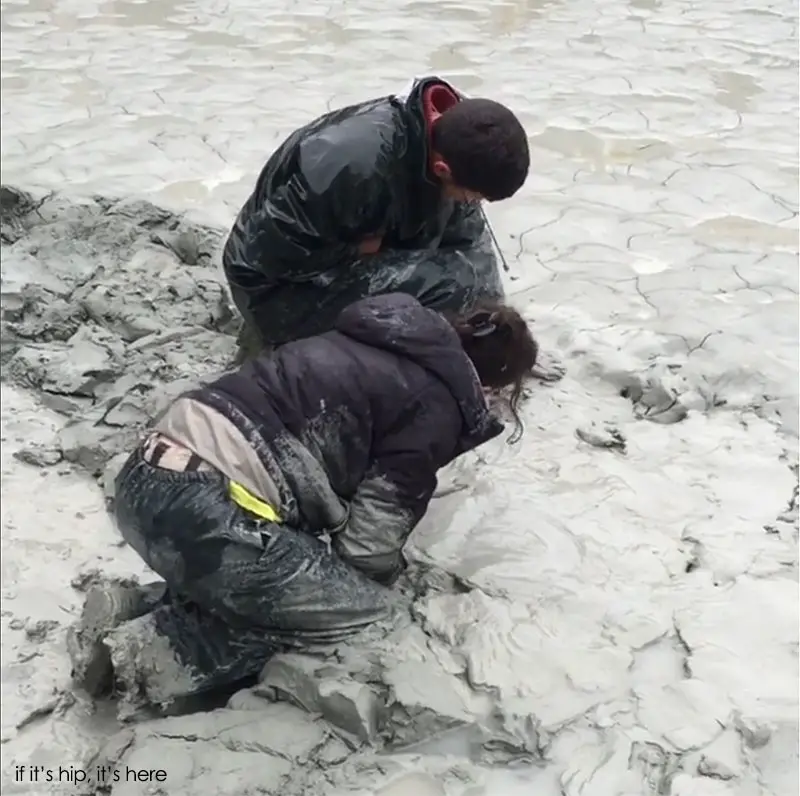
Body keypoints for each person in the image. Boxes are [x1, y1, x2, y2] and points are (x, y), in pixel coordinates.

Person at [67, 292, 538, 709]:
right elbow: (367, 547)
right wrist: (379, 580)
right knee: (357, 611)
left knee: (263, 569)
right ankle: (138, 657)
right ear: (491, 388)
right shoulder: (434, 407)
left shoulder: (373, 338)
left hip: (144, 476)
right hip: (204, 504)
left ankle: (126, 606)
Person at [222, 75, 531, 361]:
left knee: (473, 267)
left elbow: (472, 245)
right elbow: (264, 259)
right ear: (442, 170)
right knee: (454, 282)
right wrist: (356, 250)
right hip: (274, 294)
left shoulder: (458, 137)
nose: (474, 204)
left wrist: (502, 332)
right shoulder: (349, 167)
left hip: (350, 243)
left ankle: (490, 353)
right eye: (474, 196)